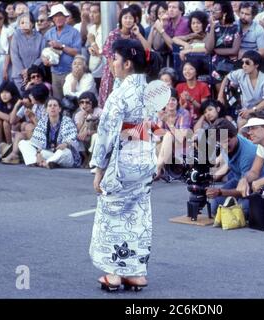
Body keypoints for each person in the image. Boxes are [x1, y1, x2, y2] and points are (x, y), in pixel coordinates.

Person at [89, 39, 159, 291]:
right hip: (145, 157)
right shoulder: (153, 91)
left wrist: (99, 169)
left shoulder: (119, 95)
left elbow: (107, 135)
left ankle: (114, 273)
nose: (111, 63)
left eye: (115, 59)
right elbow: (157, 127)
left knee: (113, 213)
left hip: (123, 160)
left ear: (127, 63)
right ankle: (137, 272)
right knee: (138, 214)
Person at [205, 118, 264, 219]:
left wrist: (220, 192)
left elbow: (243, 188)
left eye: (227, 142)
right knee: (215, 207)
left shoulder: (247, 153)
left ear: (235, 135)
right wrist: (211, 178)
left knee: (243, 211)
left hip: (261, 184)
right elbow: (229, 164)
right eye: (220, 143)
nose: (224, 146)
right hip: (240, 179)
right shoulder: (224, 143)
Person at [98, 7, 150, 108]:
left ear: (135, 20)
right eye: (125, 17)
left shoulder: (134, 35)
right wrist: (118, 78)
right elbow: (110, 58)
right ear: (120, 19)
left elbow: (147, 49)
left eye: (131, 18)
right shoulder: (114, 34)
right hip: (113, 73)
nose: (128, 20)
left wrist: (138, 34)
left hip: (130, 74)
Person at [218, 50, 264, 130]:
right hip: (245, 111)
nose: (244, 65)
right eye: (243, 62)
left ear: (256, 65)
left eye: (247, 63)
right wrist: (220, 95)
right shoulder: (240, 73)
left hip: (262, 112)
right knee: (241, 125)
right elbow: (227, 77)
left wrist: (252, 110)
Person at [18, 96, 80, 169]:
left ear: (59, 109)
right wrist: (38, 153)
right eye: (50, 106)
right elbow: (37, 142)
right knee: (23, 143)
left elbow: (73, 139)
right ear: (46, 109)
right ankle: (37, 161)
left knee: (65, 152)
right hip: (48, 152)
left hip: (63, 155)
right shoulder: (42, 121)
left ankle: (47, 162)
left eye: (55, 105)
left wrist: (65, 144)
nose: (52, 107)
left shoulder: (67, 121)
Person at [43, 4, 82, 101]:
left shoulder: (74, 32)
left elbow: (77, 52)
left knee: (71, 101)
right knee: (57, 101)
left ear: (66, 17)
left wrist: (61, 46)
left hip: (69, 72)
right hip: (54, 73)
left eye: (61, 15)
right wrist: (45, 60)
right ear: (52, 18)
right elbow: (44, 52)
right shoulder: (49, 33)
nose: (58, 18)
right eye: (56, 16)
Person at [155, 88, 191, 180]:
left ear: (177, 101)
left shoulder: (184, 113)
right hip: (164, 149)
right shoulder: (161, 114)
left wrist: (168, 122)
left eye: (173, 100)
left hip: (181, 147)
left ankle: (158, 170)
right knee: (165, 137)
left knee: (168, 136)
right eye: (167, 100)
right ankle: (160, 169)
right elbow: (156, 138)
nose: (170, 102)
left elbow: (181, 138)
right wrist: (160, 122)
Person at [205, 1, 241, 85]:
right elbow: (209, 49)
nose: (213, 12)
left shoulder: (236, 27)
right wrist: (213, 27)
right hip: (216, 64)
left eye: (216, 10)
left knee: (231, 89)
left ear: (224, 12)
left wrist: (217, 50)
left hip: (232, 63)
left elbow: (234, 50)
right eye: (212, 9)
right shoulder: (211, 26)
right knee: (219, 90)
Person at [10, 13, 46, 95]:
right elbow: (14, 55)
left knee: (36, 97)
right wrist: (23, 72)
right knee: (22, 99)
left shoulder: (40, 37)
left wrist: (29, 70)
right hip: (19, 75)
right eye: (22, 23)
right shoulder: (16, 36)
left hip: (35, 75)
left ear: (32, 24)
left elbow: (42, 56)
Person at [74, 91, 101, 168]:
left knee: (91, 124)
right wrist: (83, 118)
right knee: (74, 137)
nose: (84, 105)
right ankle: (85, 158)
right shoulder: (79, 114)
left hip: (95, 135)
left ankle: (90, 158)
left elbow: (102, 131)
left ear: (93, 102)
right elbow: (79, 131)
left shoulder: (99, 112)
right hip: (84, 137)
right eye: (81, 102)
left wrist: (88, 132)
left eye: (87, 102)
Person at [0, 80, 21, 147]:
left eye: (7, 92)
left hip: (16, 126)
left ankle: (9, 146)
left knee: (6, 123)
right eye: (2, 92)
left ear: (12, 92)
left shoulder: (18, 102)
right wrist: (4, 116)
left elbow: (10, 120)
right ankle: (0, 147)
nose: (4, 95)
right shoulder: (0, 103)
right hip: (4, 129)